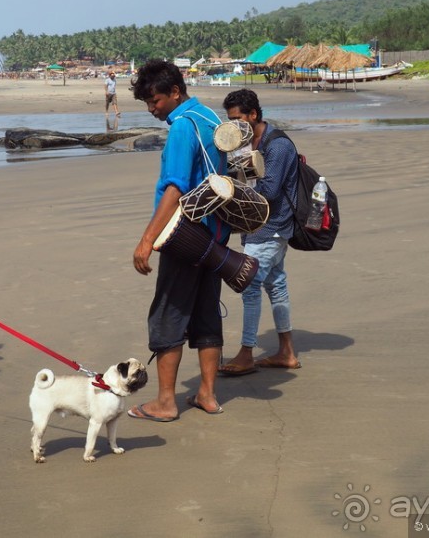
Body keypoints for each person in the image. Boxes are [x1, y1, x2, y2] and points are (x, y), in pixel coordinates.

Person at [127, 59, 228, 421]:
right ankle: (208, 395)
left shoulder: (183, 127)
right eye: (147, 104)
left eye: (155, 101)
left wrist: (146, 240)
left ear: (174, 92)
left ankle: (166, 402)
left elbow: (174, 189)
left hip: (185, 236)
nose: (152, 110)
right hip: (215, 237)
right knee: (206, 313)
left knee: (168, 315)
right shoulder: (210, 117)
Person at [218, 89, 301, 375]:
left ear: (253, 115)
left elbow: (269, 192)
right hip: (259, 228)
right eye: (230, 120)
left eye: (239, 119)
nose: (234, 125)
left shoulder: (276, 146)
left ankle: (246, 353)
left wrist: (234, 185)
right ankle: (287, 352)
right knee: (276, 285)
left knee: (250, 285)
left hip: (271, 227)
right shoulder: (248, 143)